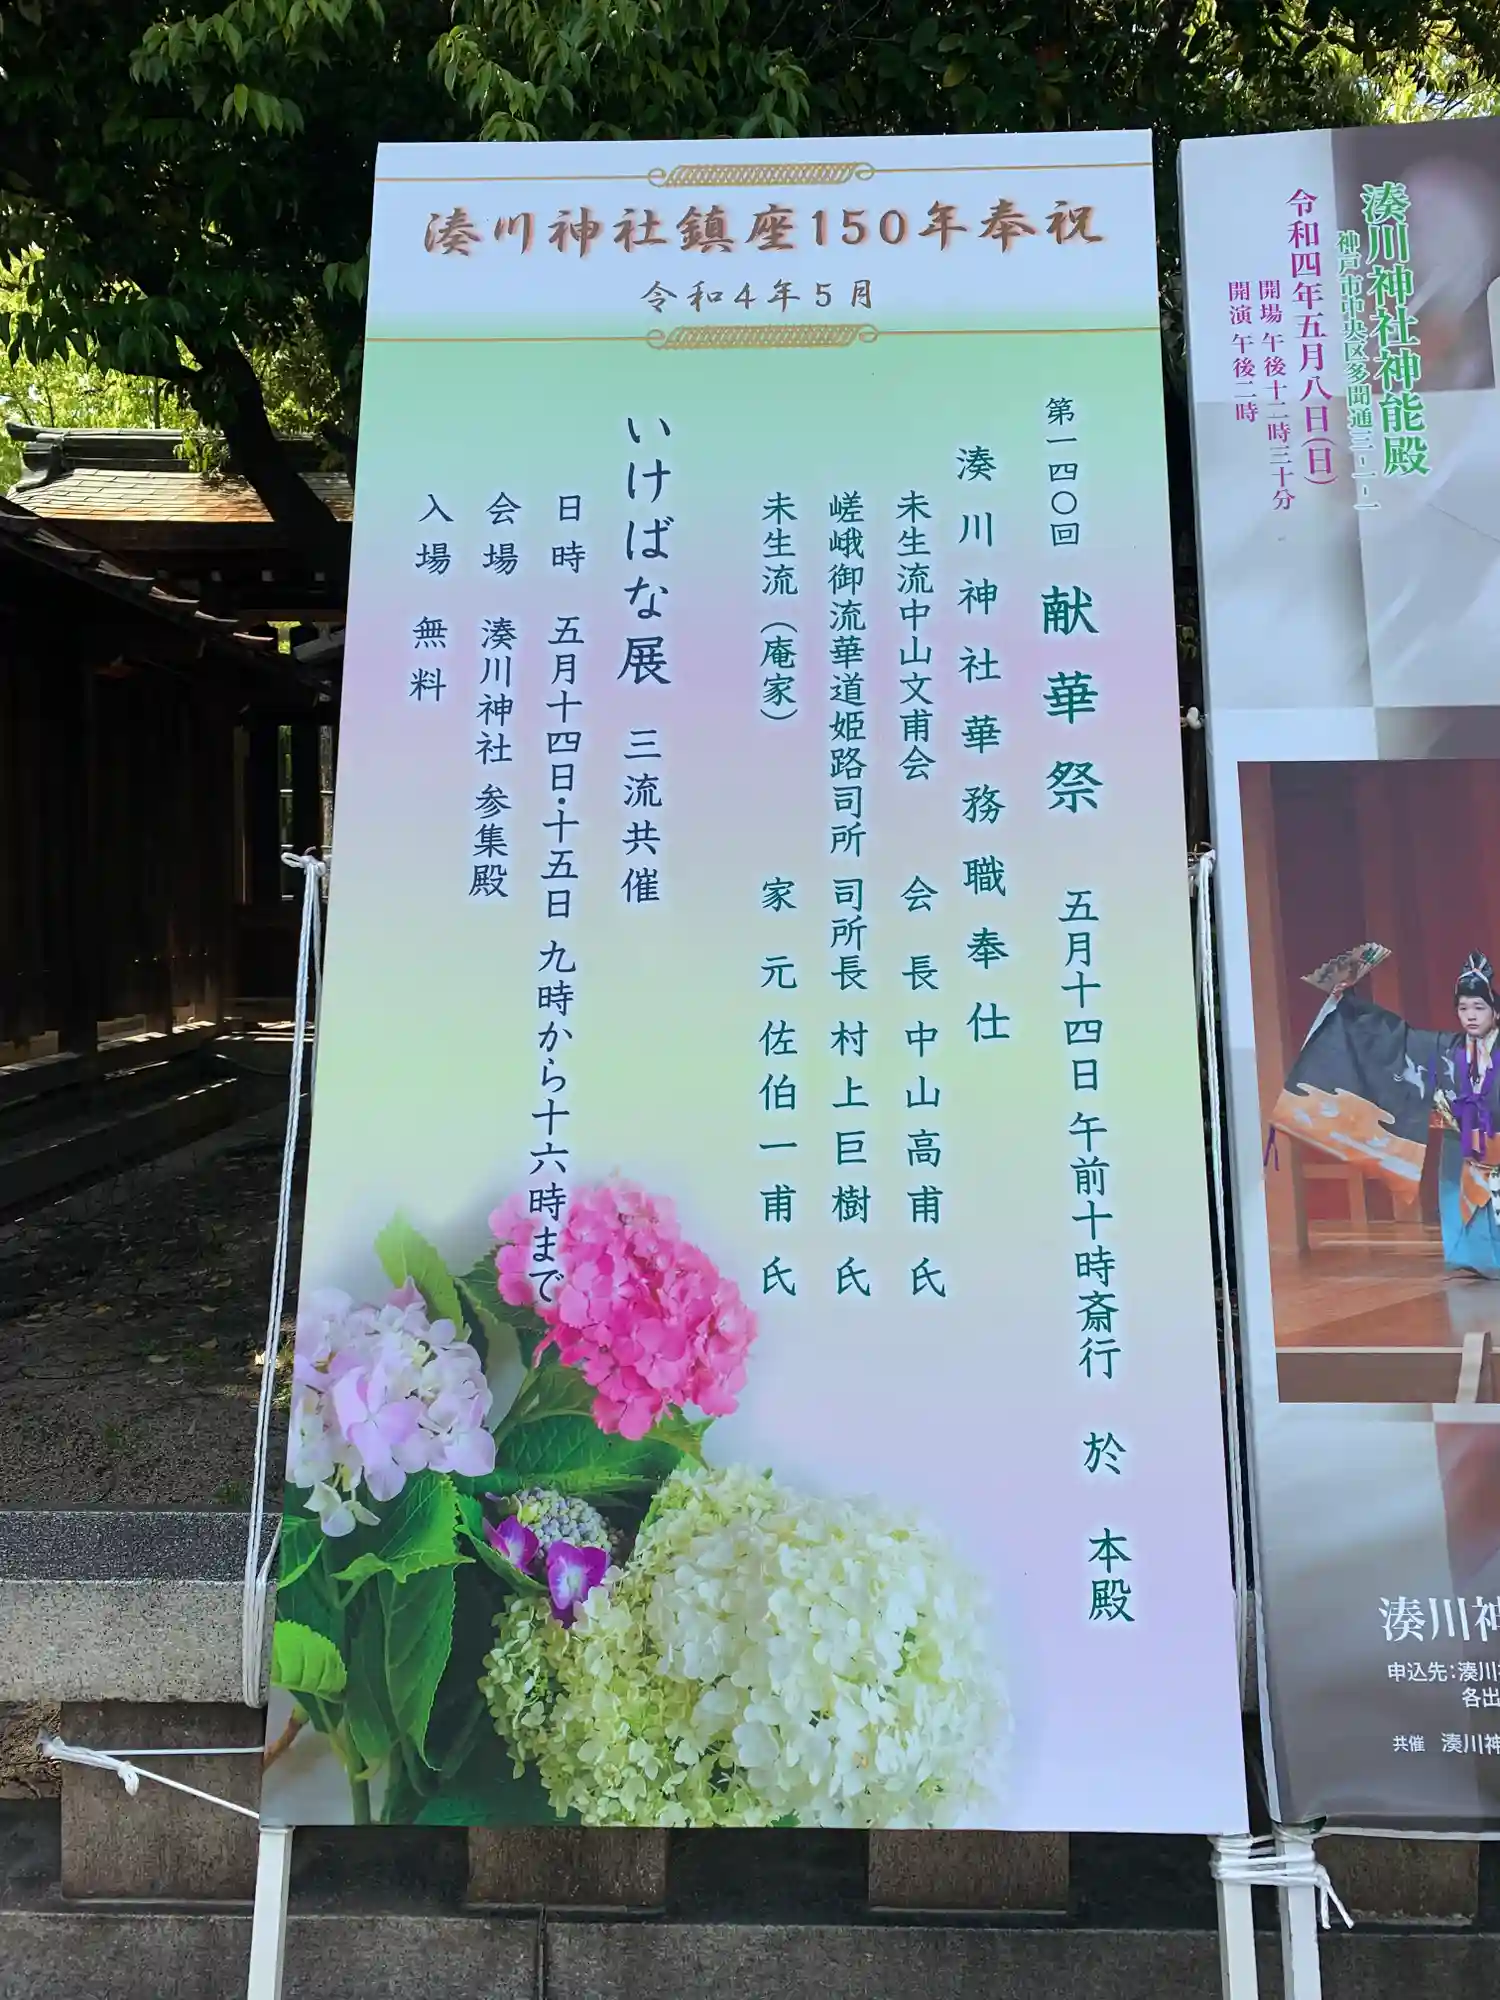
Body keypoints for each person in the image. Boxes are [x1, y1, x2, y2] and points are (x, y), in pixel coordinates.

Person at [1272, 948, 1500, 1288]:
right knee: (1463, 1202)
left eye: (1479, 1008)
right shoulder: (1445, 1048)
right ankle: (1477, 1260)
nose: (1470, 1016)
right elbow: (1393, 1037)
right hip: (1462, 1143)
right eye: (1463, 1008)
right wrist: (1347, 1004)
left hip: (1496, 1142)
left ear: (1495, 1011)